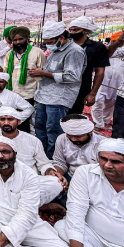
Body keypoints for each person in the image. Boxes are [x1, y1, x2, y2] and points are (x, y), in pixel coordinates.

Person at [54, 138, 124, 247]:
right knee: (62, 226)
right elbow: (76, 209)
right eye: (103, 159)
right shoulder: (86, 173)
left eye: (116, 161)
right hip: (93, 234)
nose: (107, 165)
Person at [31, 20, 86, 158]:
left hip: (58, 98)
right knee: (40, 128)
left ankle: (53, 158)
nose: (47, 44)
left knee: (54, 130)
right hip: (45, 95)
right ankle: (41, 155)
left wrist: (43, 73)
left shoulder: (74, 52)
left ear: (61, 38)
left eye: (49, 41)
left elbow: (73, 76)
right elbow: (53, 70)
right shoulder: (56, 50)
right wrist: (41, 71)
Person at [0, 26, 46, 133]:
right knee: (12, 120)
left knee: (24, 121)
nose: (18, 42)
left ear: (27, 39)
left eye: (20, 39)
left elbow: (43, 74)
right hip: (13, 93)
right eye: (15, 40)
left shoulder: (37, 52)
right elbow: (5, 73)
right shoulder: (10, 54)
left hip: (29, 94)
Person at [67, 16, 110, 115]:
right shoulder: (65, 45)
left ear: (86, 30)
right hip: (61, 86)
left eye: (76, 30)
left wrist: (92, 93)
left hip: (80, 89)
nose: (73, 32)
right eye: (71, 30)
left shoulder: (97, 47)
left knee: (73, 117)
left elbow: (100, 71)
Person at [53, 114, 106, 179]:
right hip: (71, 176)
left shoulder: (103, 143)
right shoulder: (62, 139)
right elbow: (59, 163)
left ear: (90, 132)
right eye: (69, 135)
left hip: (95, 178)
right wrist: (57, 176)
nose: (73, 139)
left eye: (78, 136)